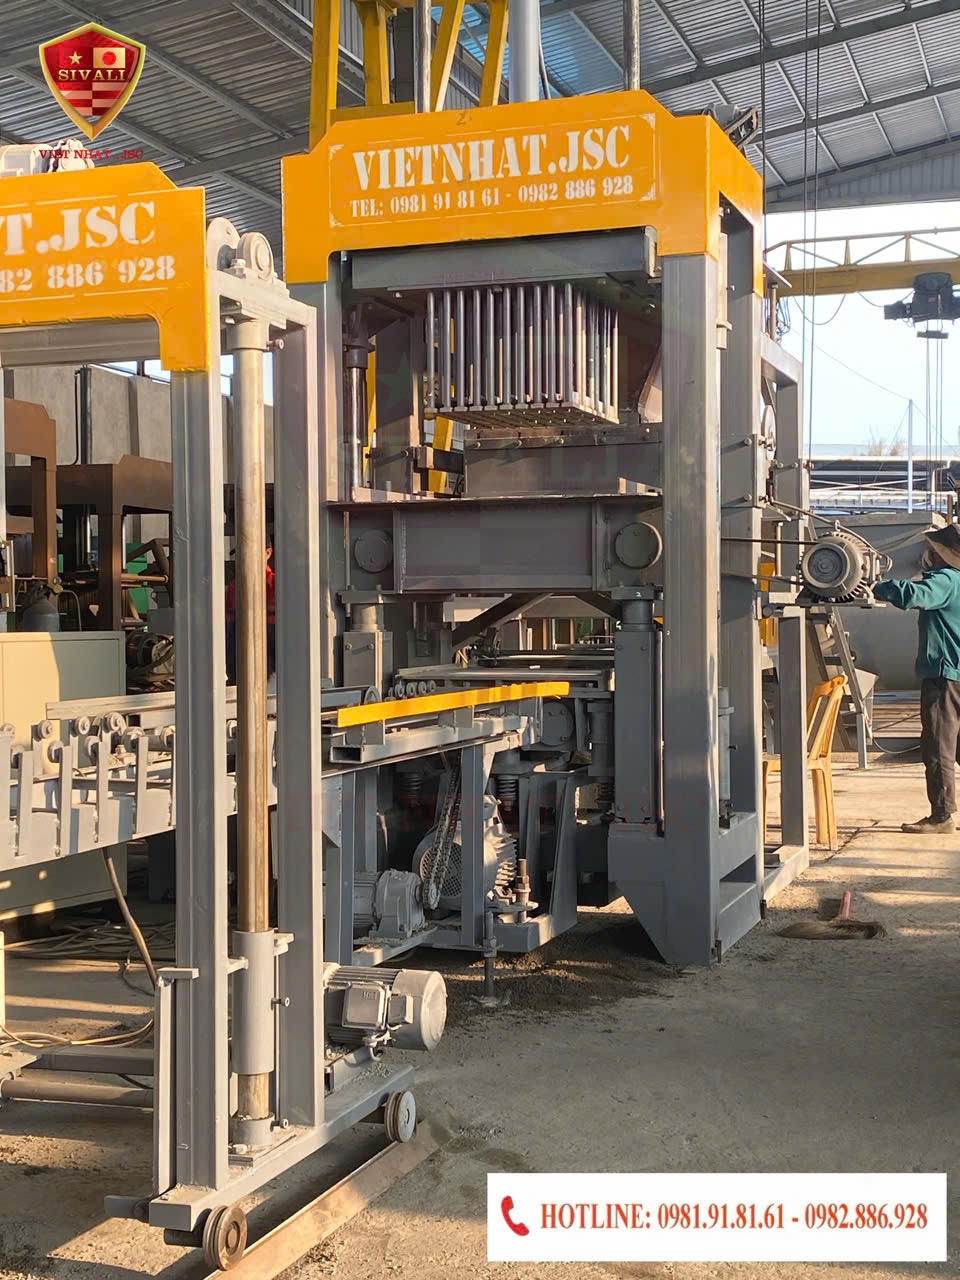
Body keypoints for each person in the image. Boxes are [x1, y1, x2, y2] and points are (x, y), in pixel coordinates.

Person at [873, 523, 960, 833]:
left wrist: (875, 584)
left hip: (944, 676)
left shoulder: (946, 579)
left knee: (938, 746)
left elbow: (915, 595)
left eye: (932, 551)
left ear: (940, 555)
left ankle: (941, 816)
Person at [225, 539, 276, 686]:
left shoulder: (277, 586)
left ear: (268, 553)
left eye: (250, 551)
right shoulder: (233, 588)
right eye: (240, 553)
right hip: (239, 667)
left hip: (271, 670)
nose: (244, 557)